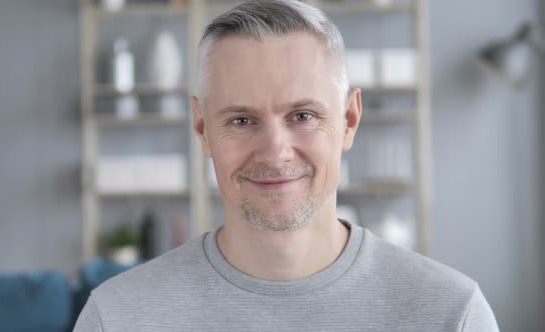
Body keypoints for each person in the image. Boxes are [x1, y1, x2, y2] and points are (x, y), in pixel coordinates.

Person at [74, 0, 499, 331]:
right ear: (202, 128)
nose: (275, 152)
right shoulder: (118, 317)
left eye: (303, 116)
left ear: (349, 120)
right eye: (241, 120)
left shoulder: (451, 315)